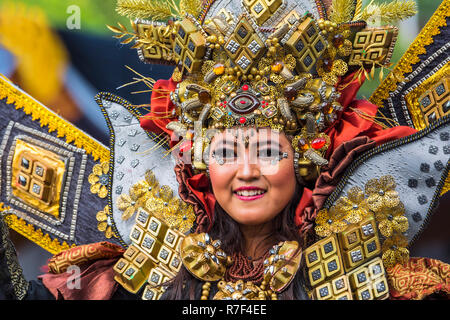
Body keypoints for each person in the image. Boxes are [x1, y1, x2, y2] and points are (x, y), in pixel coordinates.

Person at [1, 0, 449, 301]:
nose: (247, 170)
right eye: (226, 152)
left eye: (270, 151)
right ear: (200, 164)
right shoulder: (142, 273)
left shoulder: (365, 277)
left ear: (307, 159)